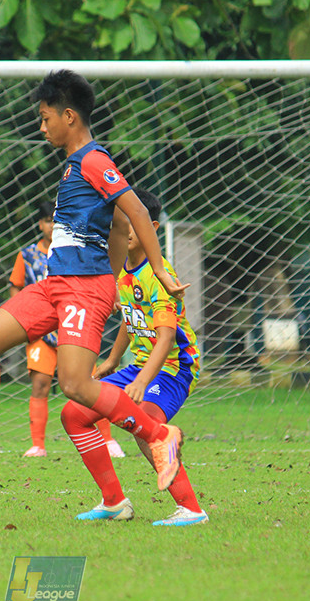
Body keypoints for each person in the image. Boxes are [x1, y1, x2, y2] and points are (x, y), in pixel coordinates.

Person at [0, 69, 187, 490]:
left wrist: (156, 269)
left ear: (69, 116)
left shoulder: (94, 160)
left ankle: (160, 437)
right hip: (56, 284)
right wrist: (118, 274)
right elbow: (120, 226)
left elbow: (137, 212)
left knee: (74, 385)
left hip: (84, 288)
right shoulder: (73, 167)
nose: (41, 126)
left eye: (45, 118)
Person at [67, 190, 208, 526]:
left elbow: (166, 336)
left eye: (132, 222)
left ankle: (191, 509)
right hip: (136, 367)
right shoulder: (119, 272)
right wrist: (113, 361)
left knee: (144, 420)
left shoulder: (161, 277)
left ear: (151, 227)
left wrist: (143, 380)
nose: (124, 229)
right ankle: (114, 503)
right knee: (73, 414)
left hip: (172, 368)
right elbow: (131, 321)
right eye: (119, 222)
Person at [9, 202, 124, 459]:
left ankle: (107, 439)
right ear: (40, 224)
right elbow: (16, 286)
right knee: (40, 384)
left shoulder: (77, 252)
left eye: (56, 221)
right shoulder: (26, 256)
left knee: (88, 384)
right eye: (48, 221)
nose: (52, 225)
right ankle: (38, 444)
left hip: (76, 325)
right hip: (42, 331)